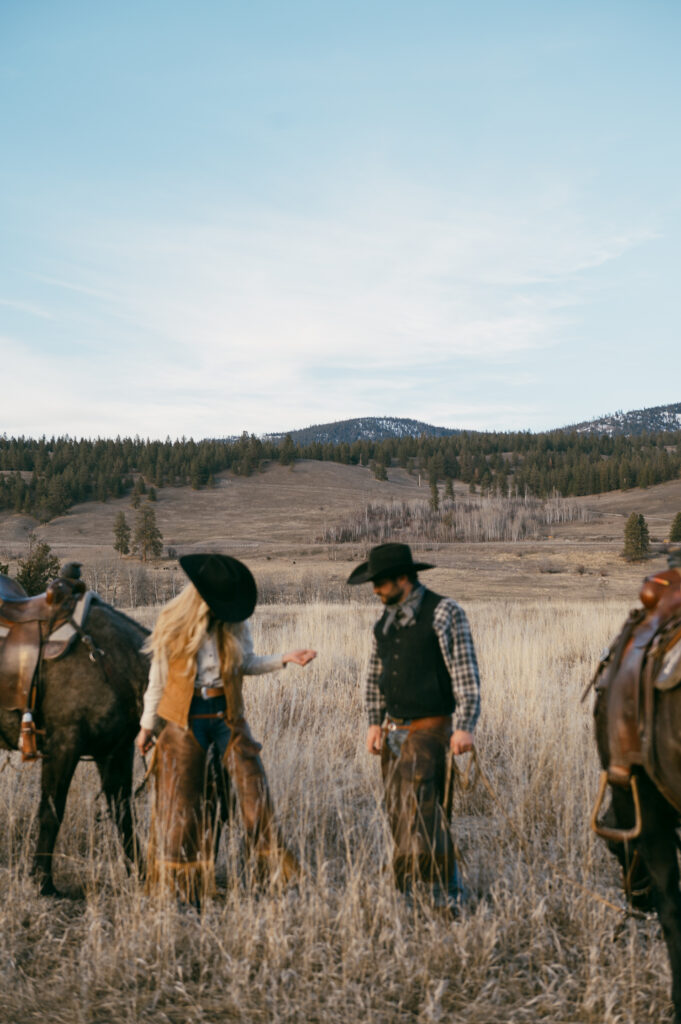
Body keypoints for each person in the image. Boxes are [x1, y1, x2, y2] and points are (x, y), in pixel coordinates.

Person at [136, 553, 316, 900]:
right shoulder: (173, 623)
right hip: (183, 721)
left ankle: (272, 878)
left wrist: (284, 658)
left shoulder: (234, 624)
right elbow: (156, 683)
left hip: (227, 717)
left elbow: (245, 663)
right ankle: (181, 888)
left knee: (254, 793)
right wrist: (147, 727)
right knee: (182, 804)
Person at [347, 542, 481, 910]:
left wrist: (465, 725)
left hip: (431, 728)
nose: (374, 590)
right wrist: (374, 722)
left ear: (403, 579)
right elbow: (375, 677)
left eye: (380, 582)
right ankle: (407, 892)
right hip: (393, 732)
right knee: (397, 812)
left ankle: (446, 896)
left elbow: (465, 674)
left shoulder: (444, 612)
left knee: (426, 811)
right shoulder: (385, 621)